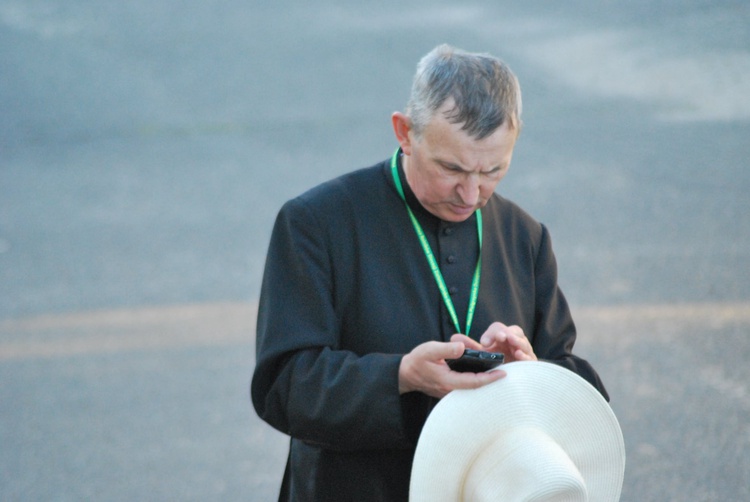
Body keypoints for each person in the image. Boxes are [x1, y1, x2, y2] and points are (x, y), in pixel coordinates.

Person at [251, 44, 608, 501]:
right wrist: (401, 376)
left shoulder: (525, 237)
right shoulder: (317, 224)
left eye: (493, 170)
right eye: (450, 167)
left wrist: (534, 374)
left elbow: (578, 388)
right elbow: (283, 386)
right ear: (405, 133)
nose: (471, 193)